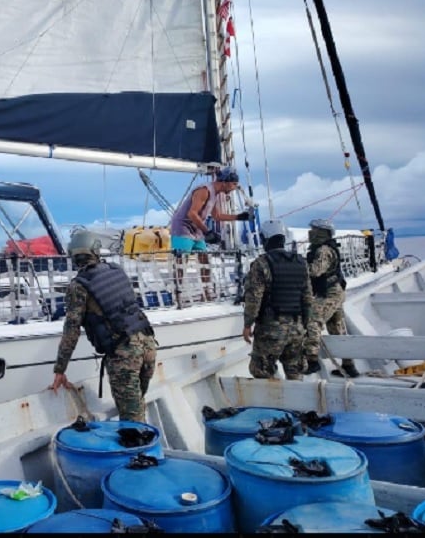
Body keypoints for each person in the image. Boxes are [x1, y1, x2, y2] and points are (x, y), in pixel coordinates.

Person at [50, 230, 158, 423]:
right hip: (148, 345)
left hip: (125, 355)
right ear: (97, 251)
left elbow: (71, 330)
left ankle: (139, 450)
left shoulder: (79, 286)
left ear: (73, 255)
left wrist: (60, 369)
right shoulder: (116, 270)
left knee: (133, 421)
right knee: (137, 406)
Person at [241, 219, 313, 380]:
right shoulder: (301, 262)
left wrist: (247, 324)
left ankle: (272, 402)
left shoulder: (261, 264)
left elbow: (254, 298)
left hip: (271, 329)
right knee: (295, 371)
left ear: (265, 239)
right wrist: (306, 326)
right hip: (297, 328)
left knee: (261, 370)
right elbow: (307, 298)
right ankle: (298, 404)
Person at [169, 166, 252, 299]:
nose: (235, 187)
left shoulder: (216, 194)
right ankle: (177, 294)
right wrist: (207, 232)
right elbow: (192, 214)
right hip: (182, 227)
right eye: (234, 184)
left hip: (197, 228)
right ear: (225, 182)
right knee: (181, 262)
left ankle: (206, 292)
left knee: (204, 260)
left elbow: (217, 216)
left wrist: (238, 217)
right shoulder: (204, 191)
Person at [302, 219, 360, 378]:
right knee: (337, 329)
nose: (310, 232)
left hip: (330, 293)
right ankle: (349, 365)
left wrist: (297, 265)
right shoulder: (324, 248)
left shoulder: (324, 250)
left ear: (322, 232)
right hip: (333, 291)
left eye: (314, 229)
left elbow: (315, 271)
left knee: (313, 320)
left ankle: (312, 360)